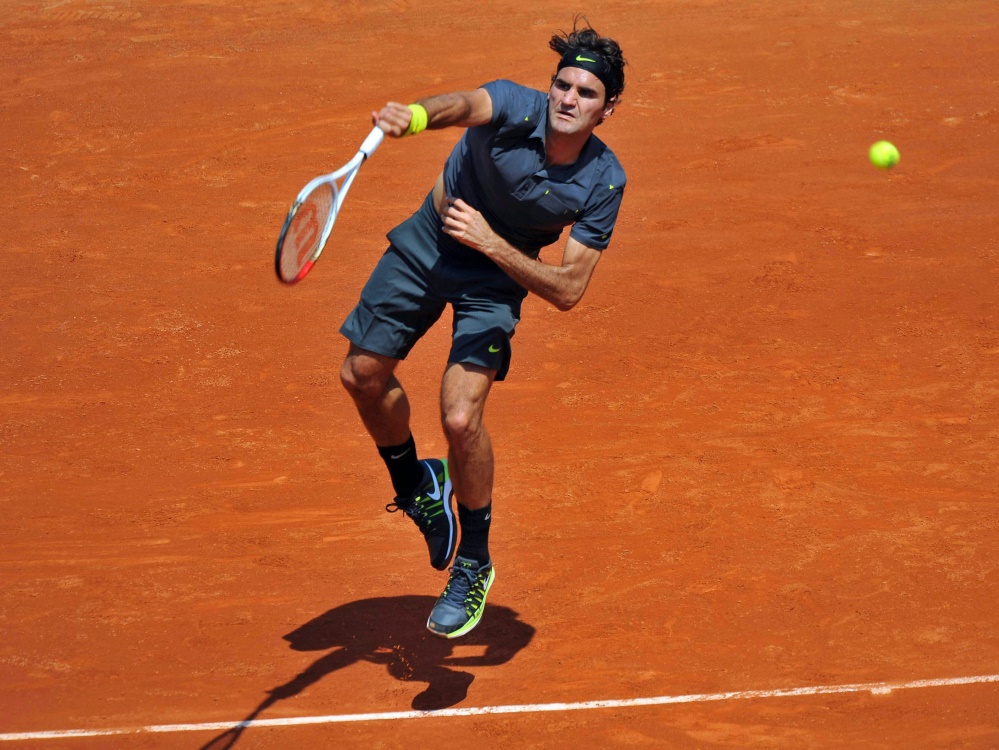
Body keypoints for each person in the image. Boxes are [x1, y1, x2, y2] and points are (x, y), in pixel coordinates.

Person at [339, 18, 627, 639]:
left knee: (461, 418)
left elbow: (570, 290)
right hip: (428, 242)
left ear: (608, 110)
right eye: (563, 86)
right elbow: (462, 105)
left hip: (495, 278)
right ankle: (418, 483)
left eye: (586, 93)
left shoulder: (604, 181)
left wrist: (493, 244)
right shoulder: (514, 106)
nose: (569, 100)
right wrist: (414, 116)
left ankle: (473, 561)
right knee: (361, 374)